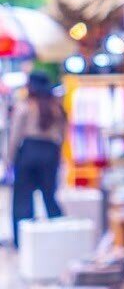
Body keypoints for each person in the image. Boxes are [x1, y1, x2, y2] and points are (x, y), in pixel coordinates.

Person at [10, 72, 65, 244]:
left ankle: (24, 242)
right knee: (50, 196)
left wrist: (9, 158)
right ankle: (61, 237)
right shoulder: (56, 107)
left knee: (22, 199)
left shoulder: (25, 106)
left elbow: (15, 135)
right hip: (50, 152)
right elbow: (62, 135)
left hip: (28, 151)